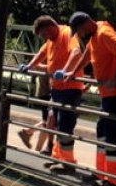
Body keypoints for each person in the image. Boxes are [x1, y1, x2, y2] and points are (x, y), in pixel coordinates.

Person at [57, 11, 116, 186]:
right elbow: (86, 57)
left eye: (80, 31)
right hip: (107, 95)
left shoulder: (103, 33)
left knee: (114, 136)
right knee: (103, 132)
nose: (80, 36)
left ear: (86, 23)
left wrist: (115, 79)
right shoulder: (94, 36)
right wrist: (73, 72)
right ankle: (102, 173)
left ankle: (114, 180)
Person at [22, 15, 84, 171]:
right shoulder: (51, 40)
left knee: (65, 125)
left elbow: (76, 52)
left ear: (51, 27)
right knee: (54, 122)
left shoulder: (67, 33)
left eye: (44, 34)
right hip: (56, 89)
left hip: (70, 88)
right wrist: (29, 66)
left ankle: (68, 164)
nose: (44, 38)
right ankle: (57, 157)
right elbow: (41, 54)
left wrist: (65, 71)